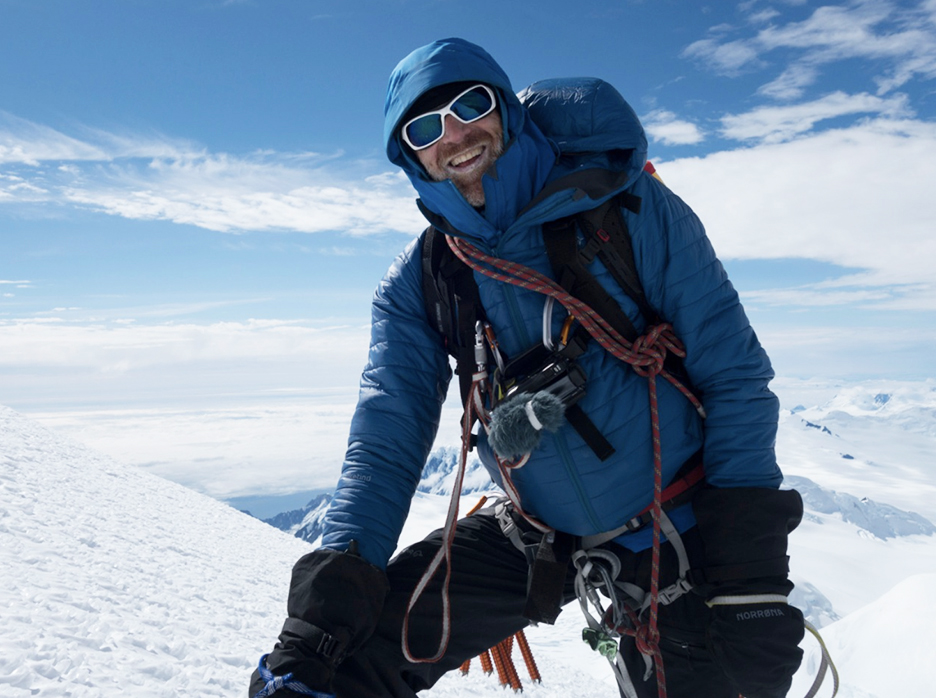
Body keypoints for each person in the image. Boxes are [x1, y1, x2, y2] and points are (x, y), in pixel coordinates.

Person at [250, 38, 805, 698]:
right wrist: (317, 622)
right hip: (537, 529)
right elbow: (385, 442)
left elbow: (733, 372)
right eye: (425, 128)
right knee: (334, 668)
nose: (453, 135)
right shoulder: (426, 280)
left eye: (468, 105)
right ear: (410, 157)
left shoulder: (625, 207)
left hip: (676, 524)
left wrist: (751, 578)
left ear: (506, 109)